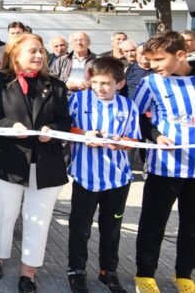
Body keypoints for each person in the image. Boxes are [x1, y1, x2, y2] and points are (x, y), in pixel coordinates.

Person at [0, 34, 72, 293]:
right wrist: (10, 127)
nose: (39, 56)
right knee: (3, 212)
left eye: (41, 51)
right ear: (15, 54)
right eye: (32, 51)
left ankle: (29, 270)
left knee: (38, 218)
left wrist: (52, 129)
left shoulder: (55, 85)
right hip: (7, 161)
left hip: (46, 165)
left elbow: (65, 120)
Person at [65, 57, 141, 293]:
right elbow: (66, 128)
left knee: (112, 228)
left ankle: (108, 271)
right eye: (96, 82)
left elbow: (134, 138)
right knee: (80, 226)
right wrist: (85, 134)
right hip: (85, 176)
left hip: (117, 178)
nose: (101, 87)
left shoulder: (128, 106)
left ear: (119, 83)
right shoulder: (78, 99)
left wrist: (122, 143)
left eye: (106, 83)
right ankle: (76, 270)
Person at [132, 31, 195, 293]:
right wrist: (156, 135)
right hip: (165, 167)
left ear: (180, 55)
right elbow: (136, 117)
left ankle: (184, 274)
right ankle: (144, 275)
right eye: (150, 60)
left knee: (191, 225)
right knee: (153, 222)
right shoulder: (151, 83)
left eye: (159, 59)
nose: (153, 65)